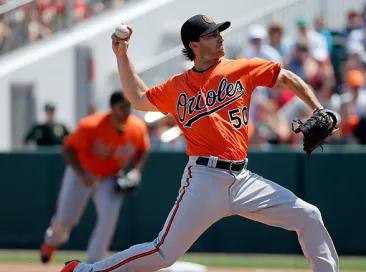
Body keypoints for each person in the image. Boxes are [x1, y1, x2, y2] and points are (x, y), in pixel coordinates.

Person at [60, 14, 339, 272]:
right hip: (204, 179)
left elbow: (285, 77)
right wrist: (122, 56)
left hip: (243, 179)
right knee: (163, 252)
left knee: (308, 216)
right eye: (211, 34)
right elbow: (138, 98)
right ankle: (86, 270)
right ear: (194, 45)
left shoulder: (241, 68)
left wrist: (317, 109)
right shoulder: (178, 85)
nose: (220, 37)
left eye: (219, 32)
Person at [41, 91, 150, 265]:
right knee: (65, 218)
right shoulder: (91, 126)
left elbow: (143, 149)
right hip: (82, 173)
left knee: (109, 218)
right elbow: (67, 149)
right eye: (122, 107)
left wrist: (136, 171)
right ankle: (51, 241)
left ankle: (93, 263)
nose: (126, 111)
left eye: (128, 106)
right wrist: (82, 173)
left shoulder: (137, 127)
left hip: (110, 177)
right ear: (112, 108)